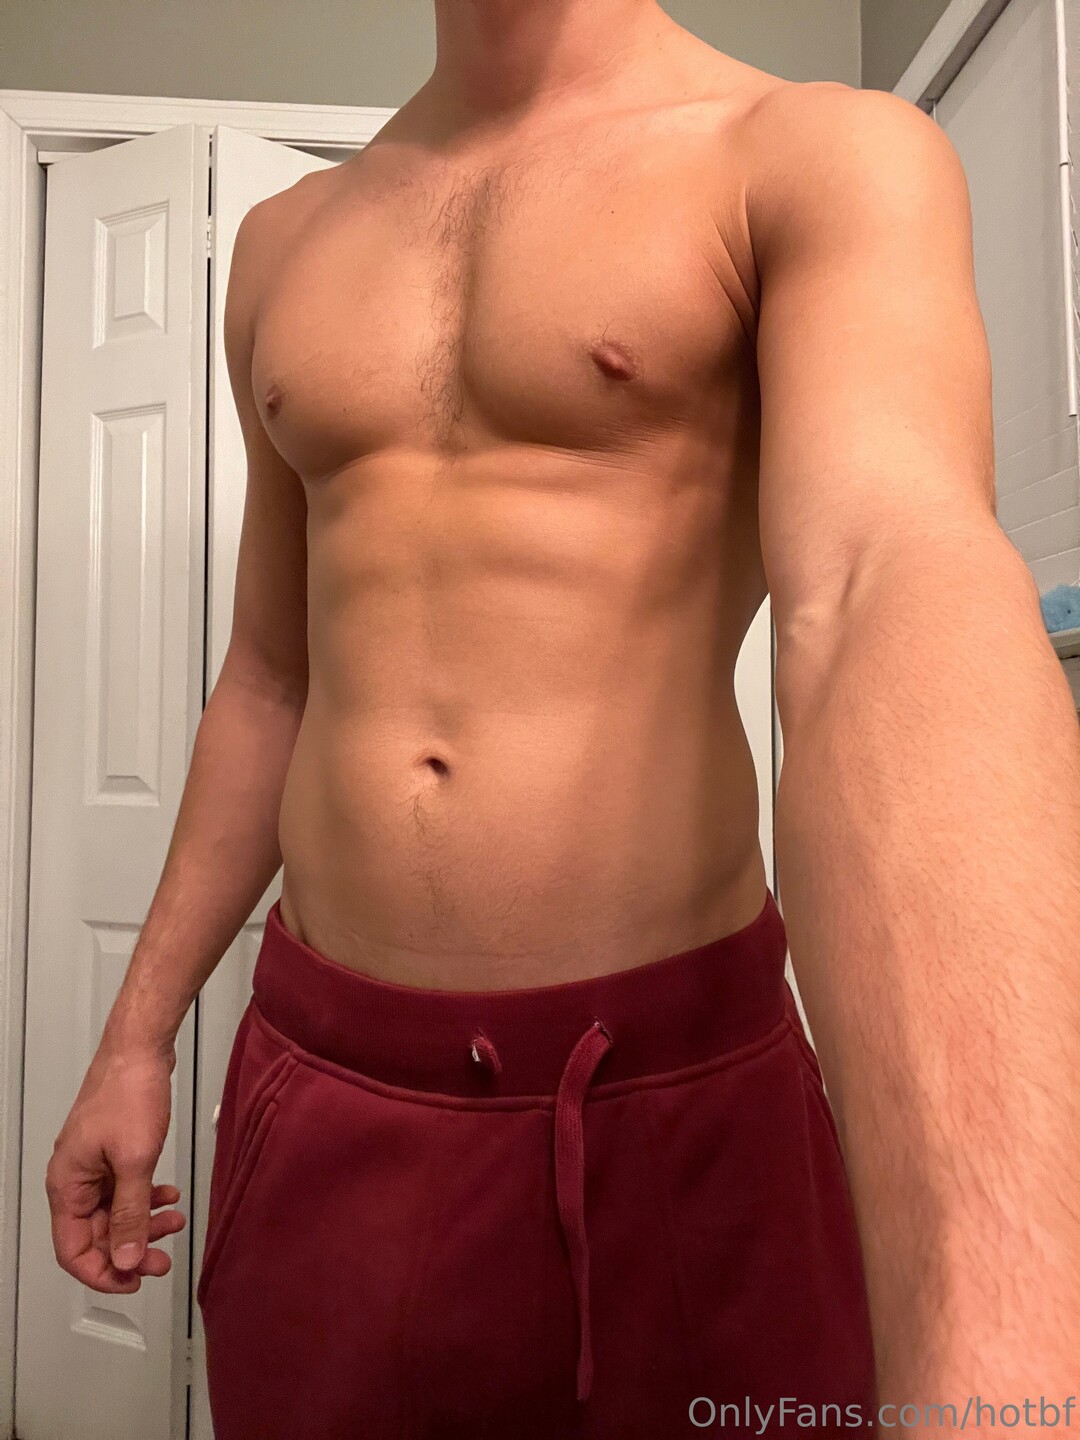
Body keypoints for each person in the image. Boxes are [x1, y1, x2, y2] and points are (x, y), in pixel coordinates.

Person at [46, 0, 1080, 1435]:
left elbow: (880, 582)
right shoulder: (283, 244)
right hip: (324, 1081)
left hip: (675, 1107)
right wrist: (137, 1036)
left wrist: (1006, 1334)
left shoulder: (811, 156)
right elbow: (271, 678)